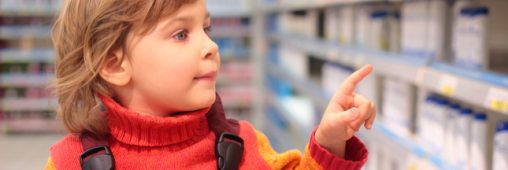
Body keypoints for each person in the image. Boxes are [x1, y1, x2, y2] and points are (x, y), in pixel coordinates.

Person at [44, 0, 377, 169]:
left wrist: (330, 141)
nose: (210, 46)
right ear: (115, 65)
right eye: (181, 34)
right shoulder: (71, 162)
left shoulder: (244, 147)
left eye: (206, 29)